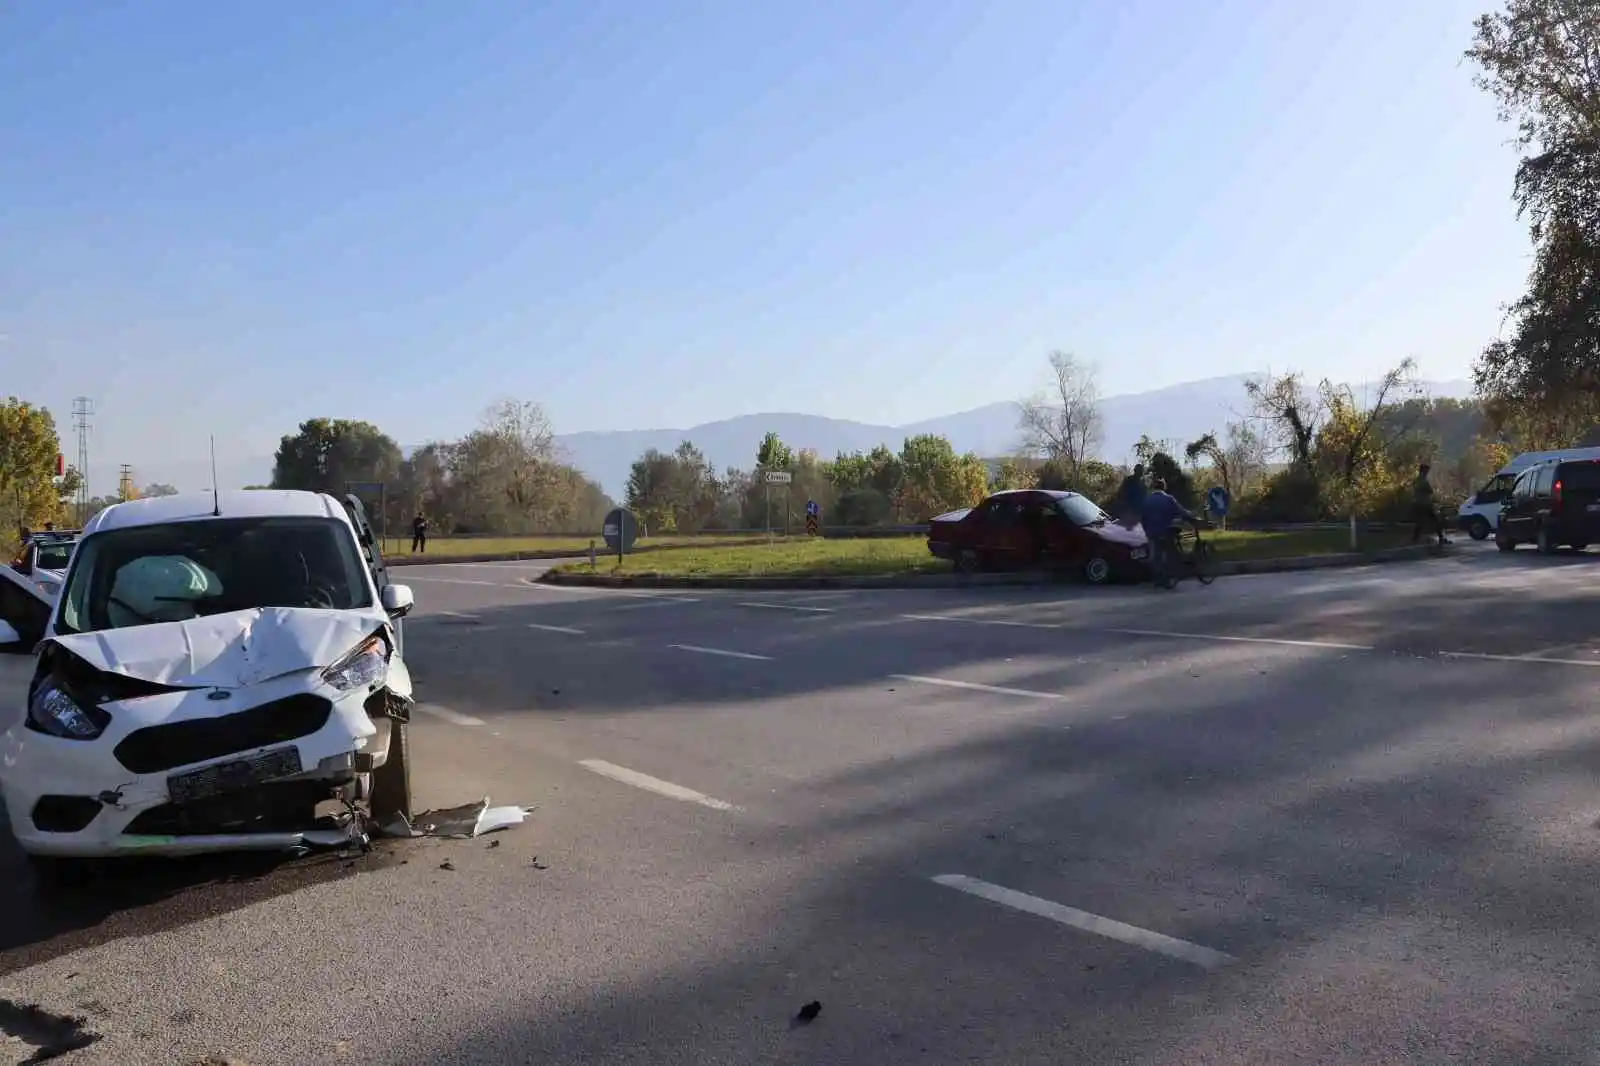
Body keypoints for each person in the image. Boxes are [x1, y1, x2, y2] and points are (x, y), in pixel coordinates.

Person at [1140, 477, 1199, 586]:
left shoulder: (1147, 500)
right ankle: (1170, 575)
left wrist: (1146, 530)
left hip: (1152, 532)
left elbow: (1143, 518)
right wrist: (1192, 516)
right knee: (1170, 552)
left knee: (1156, 555)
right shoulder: (1168, 499)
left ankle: (1157, 579)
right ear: (1164, 487)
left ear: (1153, 487)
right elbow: (1181, 511)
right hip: (1166, 531)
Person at [1411, 463, 1450, 546]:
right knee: (1435, 521)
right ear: (1423, 471)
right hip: (1424, 504)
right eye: (1426, 471)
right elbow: (1429, 491)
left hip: (1420, 503)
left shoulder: (1417, 480)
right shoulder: (1422, 481)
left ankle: (1415, 539)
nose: (1427, 473)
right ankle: (1441, 538)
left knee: (1421, 522)